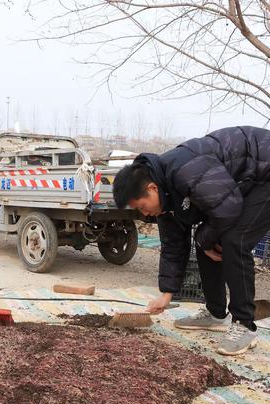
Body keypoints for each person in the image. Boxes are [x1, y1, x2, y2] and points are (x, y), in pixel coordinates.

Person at [113, 126, 270, 356]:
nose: (144, 214)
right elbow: (173, 245)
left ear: (152, 188)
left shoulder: (186, 170)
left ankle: (244, 325)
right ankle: (216, 313)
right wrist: (167, 293)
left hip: (264, 173)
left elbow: (228, 209)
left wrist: (204, 238)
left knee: (235, 240)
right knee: (206, 241)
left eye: (142, 207)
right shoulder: (164, 197)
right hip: (241, 184)